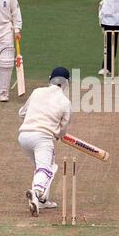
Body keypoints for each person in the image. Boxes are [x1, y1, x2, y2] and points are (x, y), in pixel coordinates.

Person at [18, 67, 72, 217]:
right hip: (43, 138)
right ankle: (36, 192)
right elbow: (63, 129)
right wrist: (58, 134)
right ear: (67, 83)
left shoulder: (37, 92)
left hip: (24, 136)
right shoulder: (65, 102)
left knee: (45, 167)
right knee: (46, 169)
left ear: (50, 78)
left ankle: (42, 200)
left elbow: (22, 112)